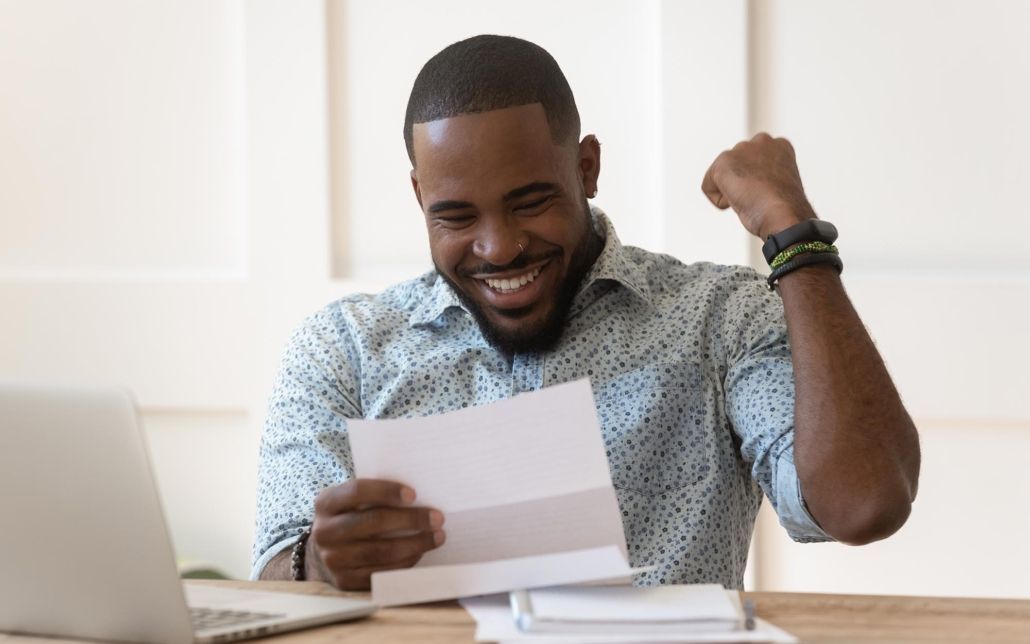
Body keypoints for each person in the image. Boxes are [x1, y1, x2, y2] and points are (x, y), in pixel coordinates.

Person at [252, 34, 920, 590]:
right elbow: (276, 571)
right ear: (419, 195)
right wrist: (319, 562)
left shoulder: (719, 320)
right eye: (455, 216)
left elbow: (863, 503)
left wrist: (792, 232)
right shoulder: (343, 350)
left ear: (588, 167)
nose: (499, 247)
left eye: (530, 202)